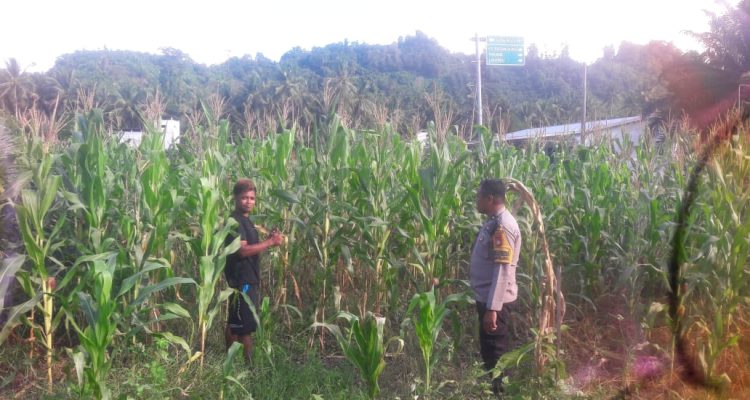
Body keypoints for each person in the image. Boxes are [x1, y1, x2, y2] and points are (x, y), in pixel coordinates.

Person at [469, 179, 522, 396]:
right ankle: (496, 391)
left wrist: (492, 308)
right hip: (489, 299)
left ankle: (501, 393)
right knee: (491, 352)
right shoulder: (494, 221)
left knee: (496, 355)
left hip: (495, 303)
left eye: (479, 196)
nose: (476, 200)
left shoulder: (502, 225)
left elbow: (502, 270)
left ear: (490, 199)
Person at [224, 178, 284, 362]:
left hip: (248, 279)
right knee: (245, 327)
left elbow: (252, 248)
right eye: (244, 198)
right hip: (242, 280)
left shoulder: (247, 221)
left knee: (236, 323)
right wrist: (270, 242)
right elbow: (242, 251)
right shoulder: (235, 221)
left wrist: (268, 240)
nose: (249, 201)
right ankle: (249, 368)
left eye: (252, 198)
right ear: (235, 198)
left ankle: (230, 362)